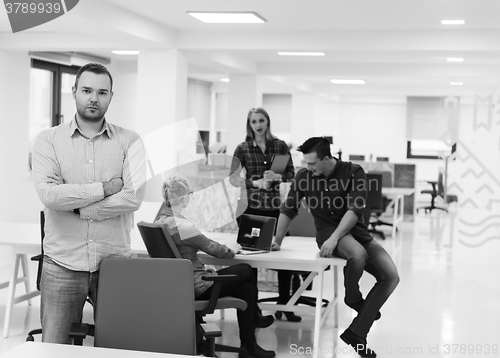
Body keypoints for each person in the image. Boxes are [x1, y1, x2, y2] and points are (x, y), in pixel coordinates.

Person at [32, 63, 145, 344]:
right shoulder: (48, 140)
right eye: (87, 90)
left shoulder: (131, 140)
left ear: (110, 96)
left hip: (114, 263)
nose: (94, 98)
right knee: (54, 348)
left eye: (102, 92)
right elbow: (49, 195)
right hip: (63, 264)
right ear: (74, 92)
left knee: (120, 346)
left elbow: (133, 197)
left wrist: (82, 208)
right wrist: (105, 188)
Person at [271, 137, 400, 358]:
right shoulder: (304, 177)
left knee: (391, 276)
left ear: (328, 158)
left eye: (312, 163)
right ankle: (353, 297)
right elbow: (289, 209)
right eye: (305, 163)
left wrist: (335, 239)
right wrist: (277, 240)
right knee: (356, 255)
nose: (307, 168)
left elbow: (354, 209)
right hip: (326, 232)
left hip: (356, 233)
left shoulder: (353, 172)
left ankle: (357, 332)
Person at [155, 174, 275, 358]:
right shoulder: (183, 226)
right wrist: (233, 249)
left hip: (178, 287)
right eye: (190, 194)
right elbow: (217, 251)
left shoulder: (160, 221)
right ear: (181, 197)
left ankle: (249, 345)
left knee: (247, 289)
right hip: (198, 286)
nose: (190, 197)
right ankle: (253, 328)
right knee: (246, 269)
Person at [229, 107, 301, 322]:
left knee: (284, 260)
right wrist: (255, 182)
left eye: (261, 120)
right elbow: (233, 178)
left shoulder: (279, 146)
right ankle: (254, 310)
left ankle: (285, 306)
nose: (258, 125)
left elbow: (291, 174)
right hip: (250, 209)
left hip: (274, 208)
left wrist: (276, 177)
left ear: (268, 122)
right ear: (249, 125)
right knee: (252, 262)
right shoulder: (242, 148)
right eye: (254, 122)